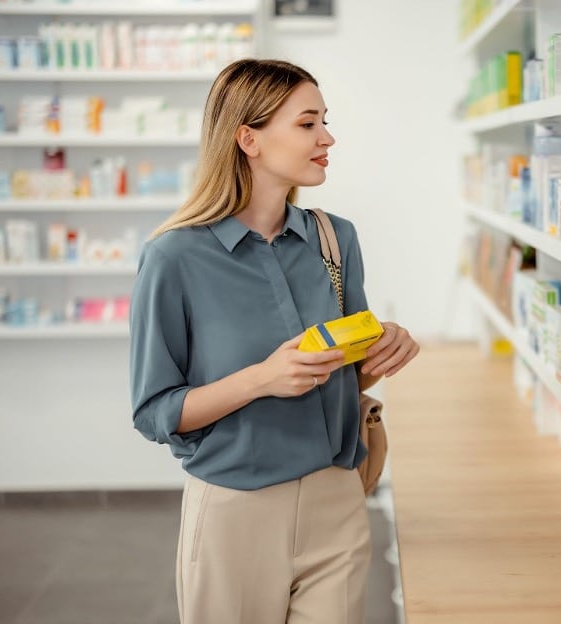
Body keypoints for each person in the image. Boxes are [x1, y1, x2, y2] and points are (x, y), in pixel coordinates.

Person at [129, 58, 420, 624]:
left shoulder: (336, 239)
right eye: (308, 123)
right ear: (248, 139)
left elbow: (344, 371)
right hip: (235, 510)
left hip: (337, 497)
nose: (327, 137)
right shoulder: (174, 257)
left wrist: (384, 353)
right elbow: (155, 412)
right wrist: (262, 379)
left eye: (324, 121)